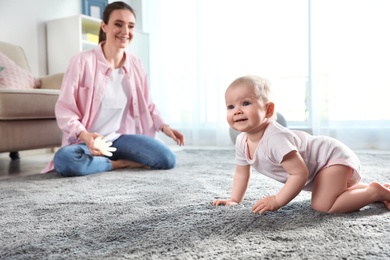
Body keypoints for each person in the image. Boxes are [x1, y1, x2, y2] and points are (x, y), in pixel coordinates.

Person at [42, 1, 184, 177]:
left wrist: (164, 127)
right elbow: (65, 109)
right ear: (104, 26)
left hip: (120, 138)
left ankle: (102, 163)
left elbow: (147, 104)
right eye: (118, 24)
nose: (125, 32)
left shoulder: (136, 64)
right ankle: (117, 164)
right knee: (65, 160)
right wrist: (85, 135)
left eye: (130, 26)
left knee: (166, 158)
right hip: (86, 141)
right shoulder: (81, 61)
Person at [213, 75, 390, 214]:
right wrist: (234, 199)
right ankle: (368, 189)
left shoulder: (274, 138)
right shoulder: (241, 141)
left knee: (322, 205)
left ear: (268, 109)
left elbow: (299, 173)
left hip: (331, 159)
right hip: (324, 165)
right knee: (332, 195)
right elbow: (241, 173)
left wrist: (277, 200)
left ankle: (375, 192)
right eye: (230, 106)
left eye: (246, 103)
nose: (237, 111)